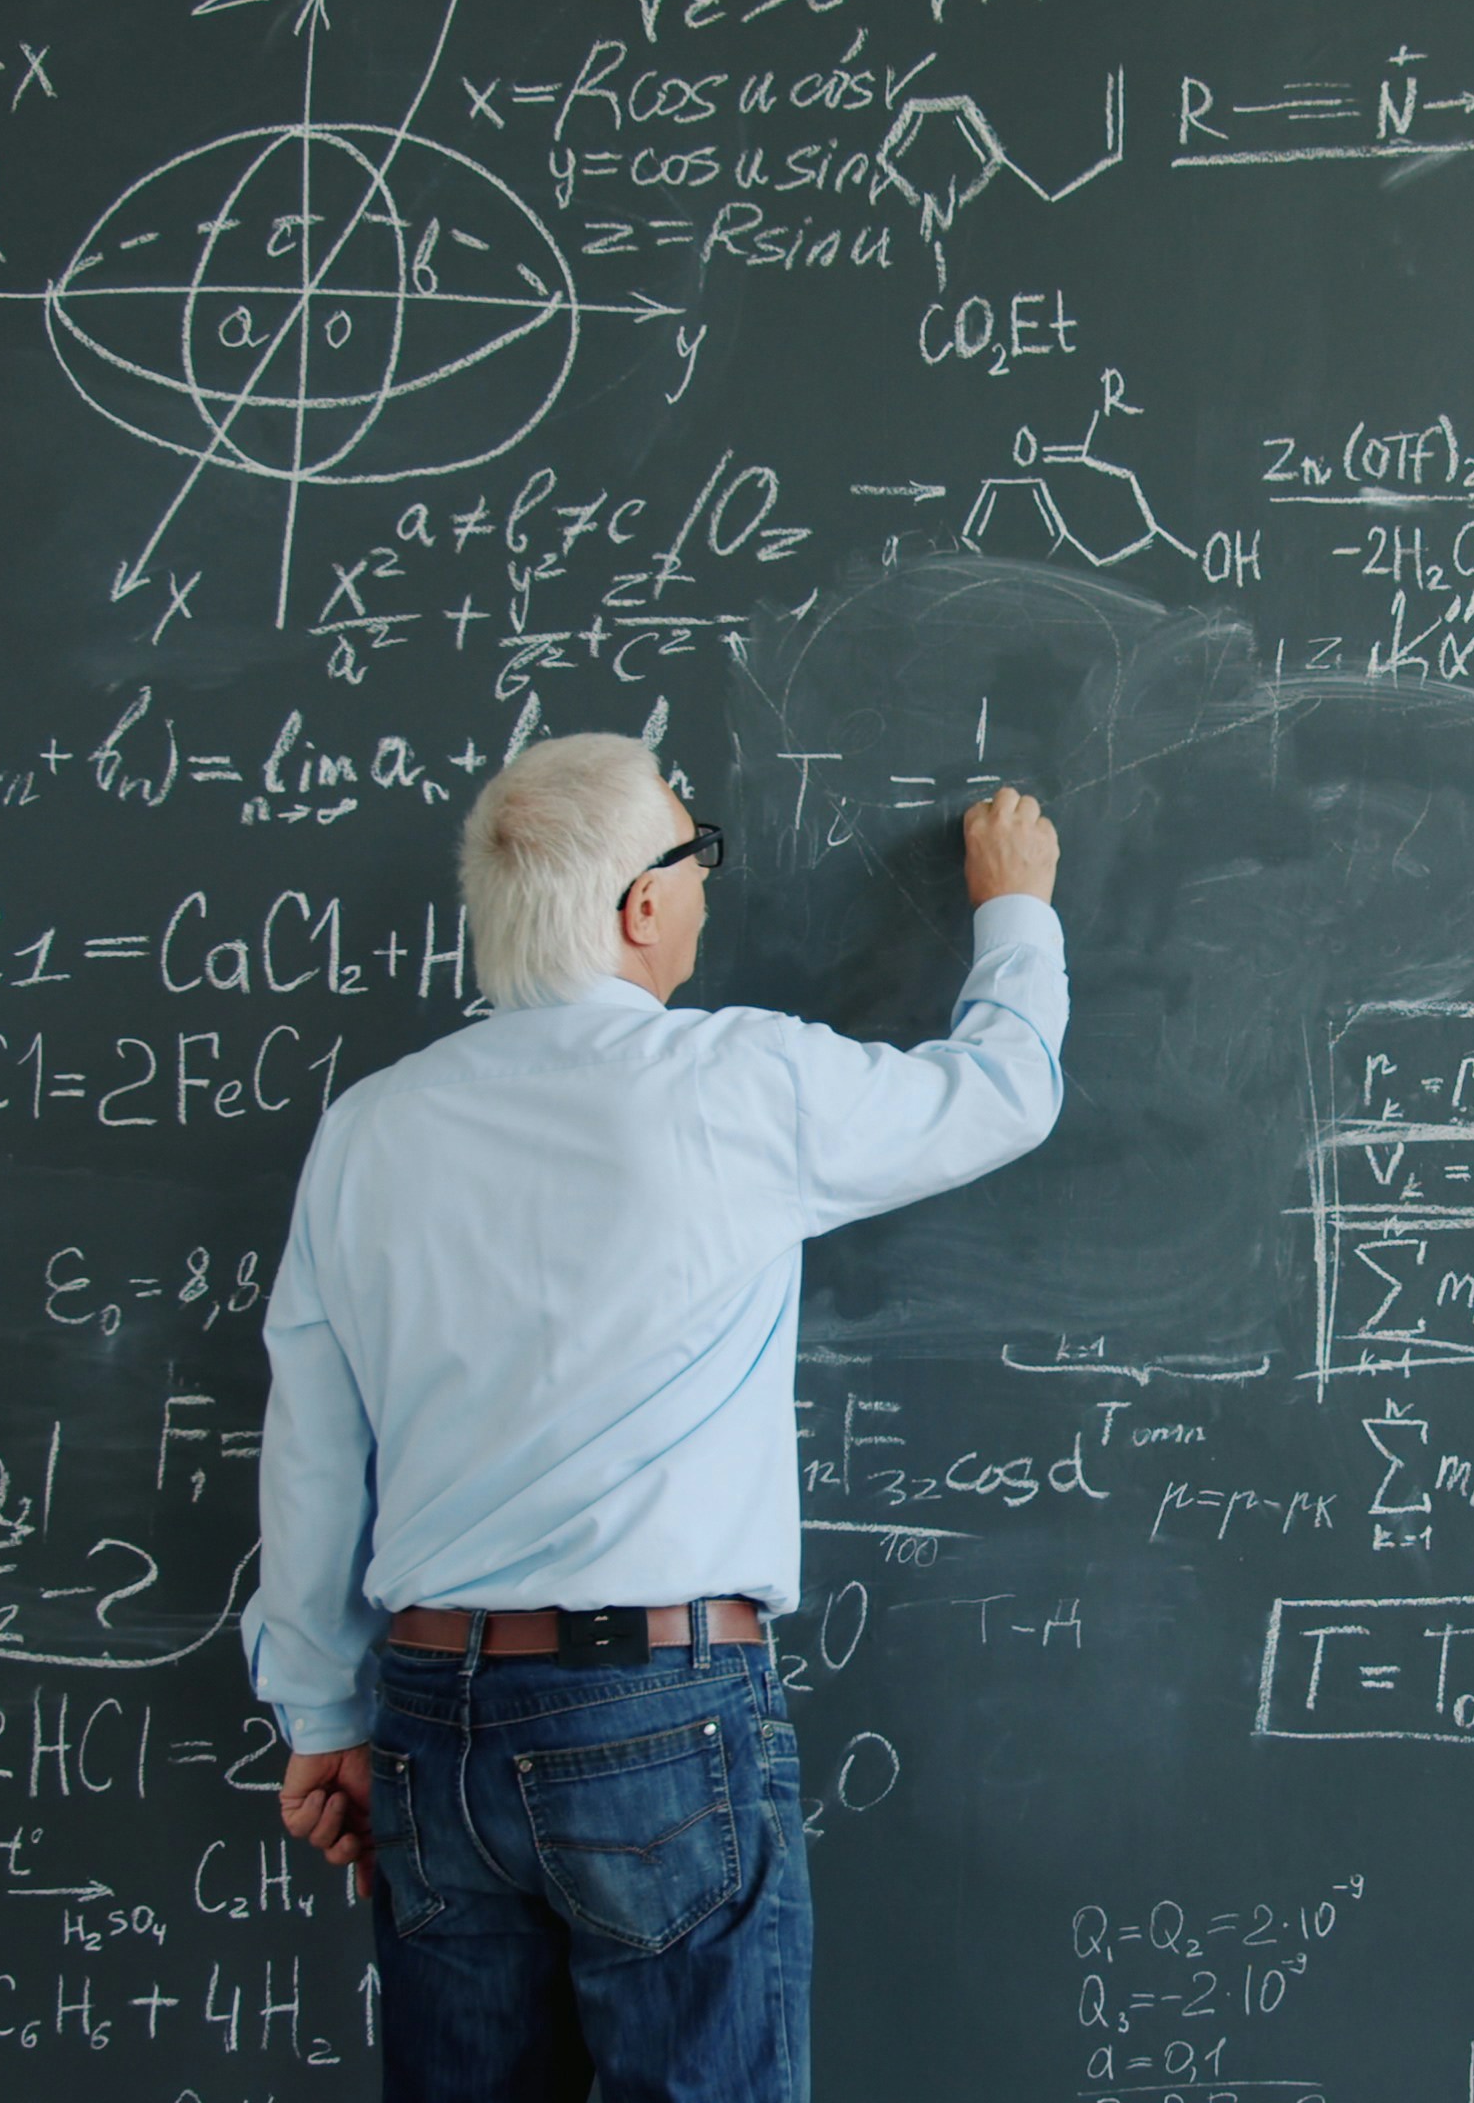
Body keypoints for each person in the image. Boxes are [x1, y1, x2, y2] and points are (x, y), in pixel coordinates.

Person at [239, 732, 1066, 2101]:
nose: (704, 892)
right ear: (638, 903)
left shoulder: (369, 1134)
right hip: (658, 1714)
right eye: (696, 859)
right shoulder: (735, 1085)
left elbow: (314, 1454)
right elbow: (1001, 1094)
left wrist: (323, 1721)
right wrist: (1016, 905)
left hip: (431, 1729)